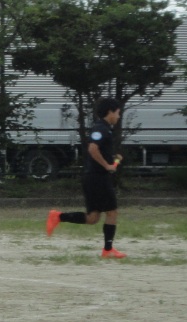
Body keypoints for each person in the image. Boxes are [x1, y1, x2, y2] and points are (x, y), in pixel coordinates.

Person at [46, 97, 127, 258]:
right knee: (112, 212)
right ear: (110, 112)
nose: (119, 116)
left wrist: (112, 160)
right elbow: (92, 149)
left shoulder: (104, 129)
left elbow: (99, 151)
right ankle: (108, 250)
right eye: (118, 113)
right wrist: (107, 165)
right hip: (98, 178)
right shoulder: (101, 129)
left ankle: (58, 216)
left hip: (94, 178)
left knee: (92, 218)